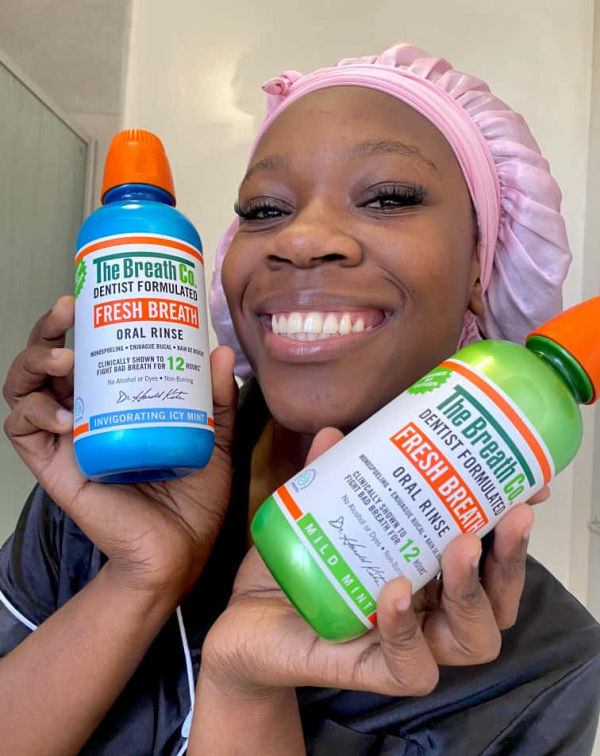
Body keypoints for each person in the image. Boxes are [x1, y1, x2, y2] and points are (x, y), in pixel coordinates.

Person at [1, 43, 599, 755]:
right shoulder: (122, 468)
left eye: (389, 197)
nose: (301, 237)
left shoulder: (542, 667)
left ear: (481, 265)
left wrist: (246, 685)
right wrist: (140, 577)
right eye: (263, 209)